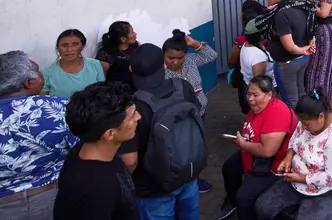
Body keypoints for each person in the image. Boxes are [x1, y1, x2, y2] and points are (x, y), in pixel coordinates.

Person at [119, 44, 205, 220]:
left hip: (152, 187)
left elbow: (130, 160)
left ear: (130, 69)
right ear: (164, 66)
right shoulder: (183, 87)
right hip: (187, 172)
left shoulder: (132, 105)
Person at [255, 88, 332, 219]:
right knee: (263, 207)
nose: (303, 128)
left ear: (321, 117)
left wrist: (302, 178)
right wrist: (288, 157)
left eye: (306, 125)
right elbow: (295, 138)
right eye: (301, 123)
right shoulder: (307, 119)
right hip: (296, 180)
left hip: (329, 190)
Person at [0, 51, 78, 220]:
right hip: (50, 197)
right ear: (30, 82)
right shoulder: (59, 109)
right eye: (38, 69)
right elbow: (84, 150)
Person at [54, 81, 141, 220]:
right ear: (110, 134)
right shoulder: (92, 192)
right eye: (132, 116)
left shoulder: (87, 148)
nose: (139, 117)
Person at [217, 76, 297, 220]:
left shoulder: (277, 113)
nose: (250, 99)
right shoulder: (258, 107)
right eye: (248, 93)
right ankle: (231, 201)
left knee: (244, 198)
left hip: (271, 164)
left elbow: (267, 151)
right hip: (251, 151)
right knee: (229, 168)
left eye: (255, 95)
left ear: (269, 95)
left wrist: (243, 144)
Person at [245, 0, 316, 109]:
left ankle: (296, 126)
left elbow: (289, 47)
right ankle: (305, 123)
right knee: (301, 92)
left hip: (287, 63)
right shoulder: (303, 5)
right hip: (302, 60)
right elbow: (311, 31)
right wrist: (306, 49)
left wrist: (303, 49)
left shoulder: (281, 13)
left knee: (291, 100)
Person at [163, 29, 217, 193]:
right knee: (180, 150)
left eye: (180, 58)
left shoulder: (191, 61)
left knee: (196, 148)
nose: (175, 62)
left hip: (199, 112)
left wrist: (194, 43)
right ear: (163, 55)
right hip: (178, 118)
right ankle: (183, 179)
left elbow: (211, 55)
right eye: (170, 58)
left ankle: (195, 177)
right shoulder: (162, 73)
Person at [42, 29, 105, 98]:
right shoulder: (47, 72)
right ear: (58, 48)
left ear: (82, 46)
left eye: (75, 45)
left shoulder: (95, 65)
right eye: (64, 45)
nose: (69, 49)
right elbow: (42, 101)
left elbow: (101, 93)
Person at [96, 21, 139, 91]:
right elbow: (101, 79)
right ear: (123, 39)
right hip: (116, 91)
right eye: (132, 32)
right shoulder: (107, 55)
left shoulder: (134, 46)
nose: (135, 34)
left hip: (134, 88)